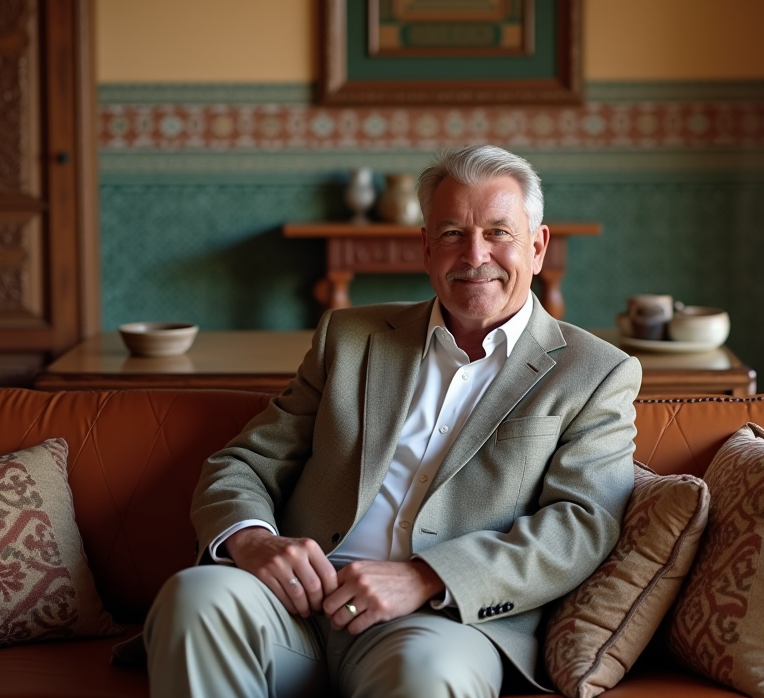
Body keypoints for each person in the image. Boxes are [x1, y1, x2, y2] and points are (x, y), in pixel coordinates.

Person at [143, 144, 642, 697]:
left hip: (441, 621)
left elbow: (581, 524)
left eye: (499, 232)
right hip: (299, 606)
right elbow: (245, 462)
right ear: (426, 248)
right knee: (195, 597)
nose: (475, 254)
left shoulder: (594, 372)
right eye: (452, 232)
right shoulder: (349, 338)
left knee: (426, 676)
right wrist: (252, 539)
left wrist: (425, 577)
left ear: (538, 245)